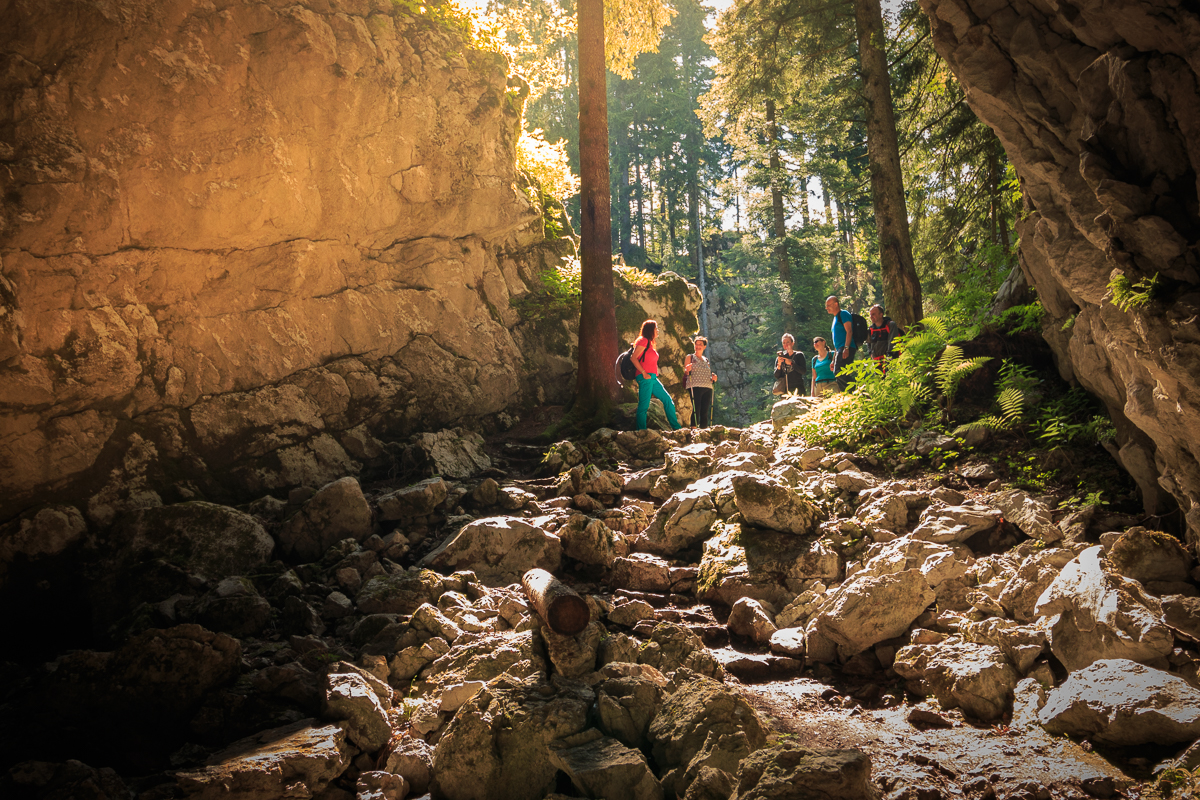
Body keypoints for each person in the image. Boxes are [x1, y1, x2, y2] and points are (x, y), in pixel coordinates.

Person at [632, 319, 682, 431]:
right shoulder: (643, 340)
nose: (658, 331)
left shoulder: (650, 343)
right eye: (656, 328)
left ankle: (677, 428)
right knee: (644, 406)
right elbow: (633, 358)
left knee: (667, 400)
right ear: (650, 330)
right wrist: (644, 373)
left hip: (653, 378)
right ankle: (641, 431)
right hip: (645, 377)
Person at [683, 336, 718, 427]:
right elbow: (686, 372)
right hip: (695, 385)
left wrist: (713, 378)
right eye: (696, 344)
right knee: (696, 408)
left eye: (700, 344)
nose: (698, 346)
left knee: (705, 410)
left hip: (707, 387)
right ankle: (693, 429)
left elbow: (707, 374)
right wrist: (687, 369)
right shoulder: (690, 357)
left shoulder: (706, 360)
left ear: (704, 347)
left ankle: (704, 430)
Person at [826, 295, 855, 389]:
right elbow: (837, 342)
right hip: (840, 348)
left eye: (829, 305)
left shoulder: (843, 314)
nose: (827, 308)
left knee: (839, 371)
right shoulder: (835, 318)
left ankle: (856, 392)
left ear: (836, 304)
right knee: (838, 371)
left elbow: (849, 331)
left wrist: (846, 348)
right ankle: (849, 394)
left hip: (846, 347)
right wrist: (834, 360)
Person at [866, 304, 904, 370]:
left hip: (890, 360)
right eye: (870, 315)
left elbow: (893, 340)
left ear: (881, 314)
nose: (871, 317)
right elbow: (869, 343)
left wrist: (890, 354)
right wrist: (871, 354)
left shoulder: (890, 325)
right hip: (877, 362)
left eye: (873, 314)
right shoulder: (871, 329)